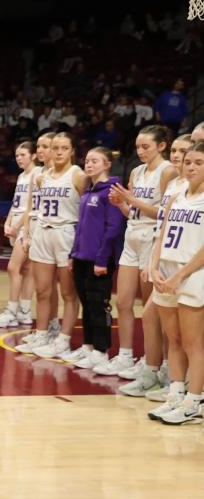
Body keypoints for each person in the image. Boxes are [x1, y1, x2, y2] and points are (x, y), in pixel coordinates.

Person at [122, 135, 194, 398]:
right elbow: (163, 229)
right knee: (156, 317)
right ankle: (158, 373)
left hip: (186, 265)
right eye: (175, 151)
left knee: (181, 329)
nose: (178, 156)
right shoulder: (176, 184)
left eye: (183, 152)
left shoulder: (192, 188)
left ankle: (182, 382)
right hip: (162, 257)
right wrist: (154, 261)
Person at [103, 125, 176, 378]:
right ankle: (125, 355)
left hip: (152, 237)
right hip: (132, 234)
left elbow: (165, 215)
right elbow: (131, 211)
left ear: (161, 146)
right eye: (137, 147)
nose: (140, 151)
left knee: (149, 307)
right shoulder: (136, 170)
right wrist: (121, 203)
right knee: (123, 301)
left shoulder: (168, 171)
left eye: (146, 146)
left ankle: (153, 360)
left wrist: (131, 200)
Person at [146, 143, 204, 424]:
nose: (191, 167)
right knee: (175, 340)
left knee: (194, 343)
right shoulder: (176, 195)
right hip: (166, 272)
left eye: (199, 162)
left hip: (192, 274)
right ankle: (175, 394)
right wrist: (154, 266)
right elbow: (161, 235)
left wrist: (179, 276)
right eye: (188, 162)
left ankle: (194, 400)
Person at [22, 131, 90, 360]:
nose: (58, 152)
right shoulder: (42, 177)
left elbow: (86, 212)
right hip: (43, 231)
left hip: (66, 233)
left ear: (72, 151)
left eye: (64, 148)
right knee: (42, 290)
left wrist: (81, 244)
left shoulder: (78, 175)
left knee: (68, 292)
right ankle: (43, 333)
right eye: (55, 148)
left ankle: (64, 339)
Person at [66, 148, 123, 369]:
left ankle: (102, 350)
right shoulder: (88, 191)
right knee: (86, 303)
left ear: (107, 164)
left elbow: (113, 228)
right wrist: (73, 253)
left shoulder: (111, 191)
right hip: (81, 257)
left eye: (95, 161)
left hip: (99, 260)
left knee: (99, 305)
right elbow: (80, 227)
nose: (89, 165)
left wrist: (101, 259)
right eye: (87, 161)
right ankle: (88, 346)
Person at [0, 141, 41, 328]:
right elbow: (17, 203)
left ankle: (12, 311)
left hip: (28, 225)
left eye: (23, 155)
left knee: (13, 268)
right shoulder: (21, 176)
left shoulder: (37, 174)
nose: (19, 158)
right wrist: (8, 221)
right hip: (18, 224)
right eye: (17, 155)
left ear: (33, 156)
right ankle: (25, 312)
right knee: (27, 270)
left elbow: (32, 206)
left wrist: (18, 225)